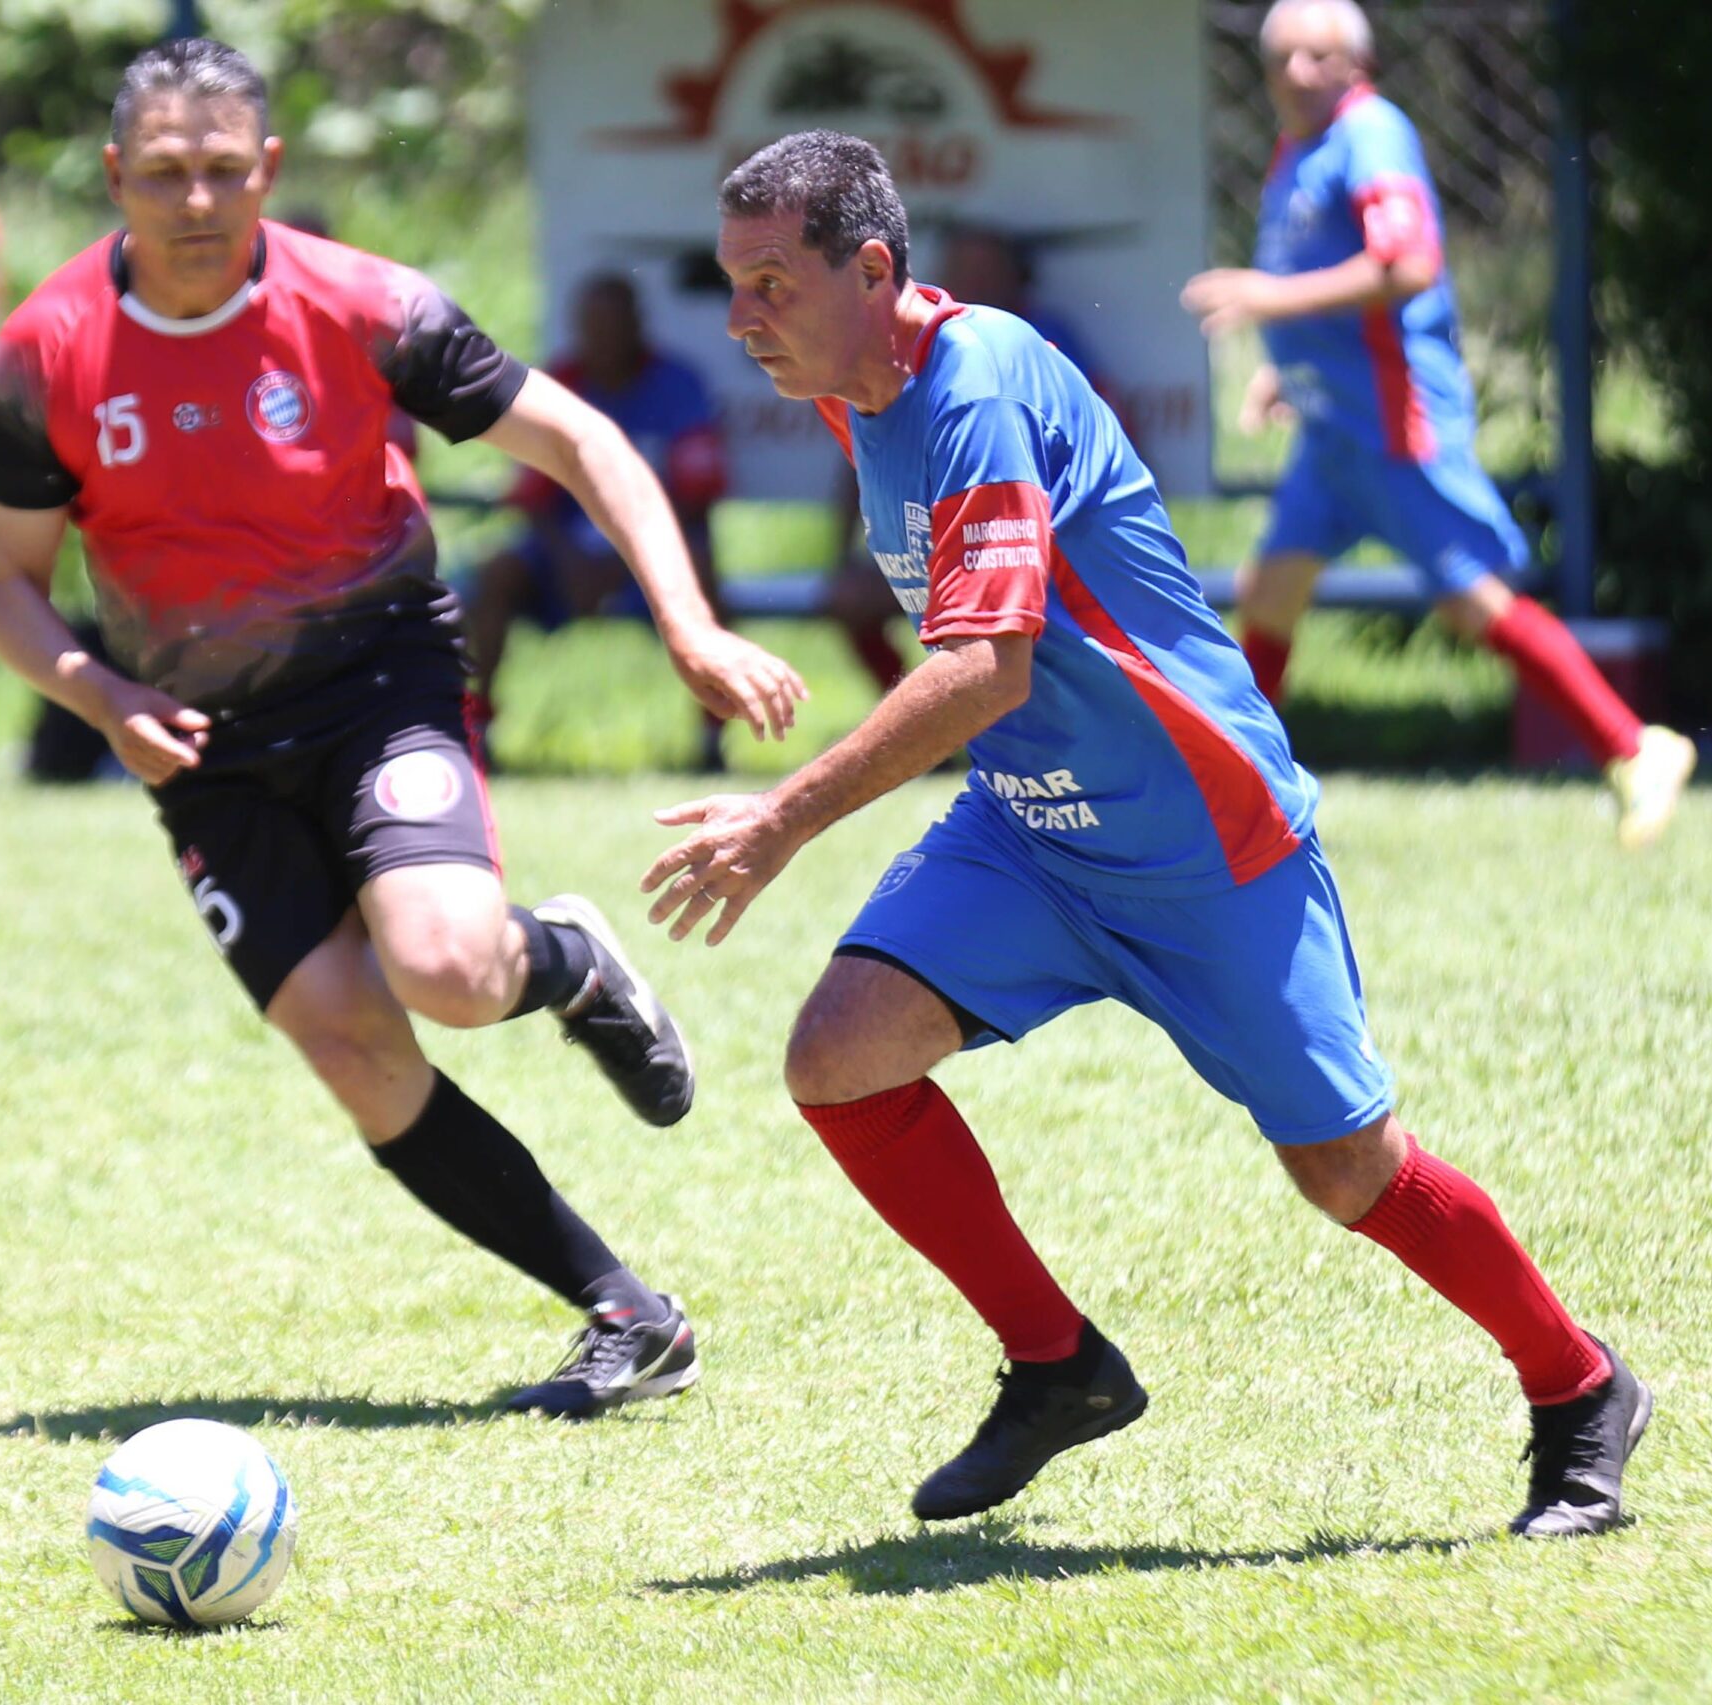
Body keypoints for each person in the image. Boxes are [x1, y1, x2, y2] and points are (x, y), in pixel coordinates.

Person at [648, 130, 1650, 1536]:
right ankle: (1058, 1367)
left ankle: (1579, 1384)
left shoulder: (976, 386)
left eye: (769, 283)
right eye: (731, 281)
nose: (741, 316)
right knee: (840, 1056)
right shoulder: (854, 393)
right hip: (1033, 833)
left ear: (872, 270)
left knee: (1348, 1170)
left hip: (1203, 838)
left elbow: (987, 665)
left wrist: (784, 816)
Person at [0, 40, 805, 1416]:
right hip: (196, 739)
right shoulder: (47, 352)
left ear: (269, 172)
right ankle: (628, 1315)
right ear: (116, 175)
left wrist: (690, 624)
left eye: (223, 171)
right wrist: (96, 696)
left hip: (376, 684)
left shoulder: (362, 306)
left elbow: (585, 440)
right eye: (164, 173)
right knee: (352, 1045)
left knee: (449, 972)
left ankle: (564, 962)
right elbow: (3, 579)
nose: (195, 201)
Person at [1181, 0, 1694, 847]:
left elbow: (1407, 264)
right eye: (1282, 59)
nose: (1298, 73)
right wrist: (1287, 365)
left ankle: (1635, 747)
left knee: (1473, 603)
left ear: (1358, 64)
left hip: (1392, 422)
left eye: (1317, 56)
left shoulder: (1371, 133)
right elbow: (1331, 282)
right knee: (1272, 592)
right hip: (1332, 427)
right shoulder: (1297, 149)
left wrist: (1269, 301)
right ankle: (1239, 799)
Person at [463, 273, 732, 769]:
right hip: (566, 551)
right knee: (495, 574)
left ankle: (714, 738)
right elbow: (532, 497)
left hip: (657, 547)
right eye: (591, 327)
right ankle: (477, 730)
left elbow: (697, 494)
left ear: (637, 326)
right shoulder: (557, 384)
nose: (602, 339)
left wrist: (625, 556)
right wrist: (572, 559)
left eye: (612, 325)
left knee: (702, 563)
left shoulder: (678, 384)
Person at [824, 225, 1100, 701]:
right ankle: (928, 727)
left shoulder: (1036, 341)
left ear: (1015, 278)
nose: (966, 277)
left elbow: (1102, 439)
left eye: (982, 268)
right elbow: (862, 465)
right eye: (959, 265)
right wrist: (839, 555)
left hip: (1040, 546)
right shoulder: (902, 355)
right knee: (850, 597)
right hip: (934, 544)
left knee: (1000, 637)